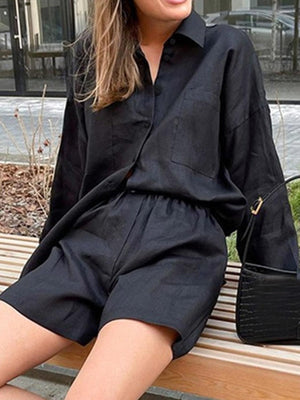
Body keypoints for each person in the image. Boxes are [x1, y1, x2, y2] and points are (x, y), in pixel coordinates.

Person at [0, 0, 298, 399]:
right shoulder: (94, 52)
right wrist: (46, 264)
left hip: (177, 254)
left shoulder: (226, 49)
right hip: (88, 245)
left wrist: (282, 286)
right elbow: (73, 166)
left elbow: (257, 168)